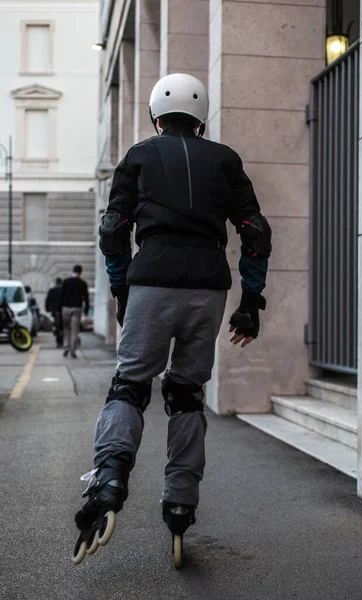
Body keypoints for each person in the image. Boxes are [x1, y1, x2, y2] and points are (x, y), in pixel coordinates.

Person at [72, 73, 272, 566]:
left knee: (131, 385)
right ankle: (181, 504)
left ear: (157, 117)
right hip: (207, 288)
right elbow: (255, 230)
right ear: (201, 121)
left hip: (152, 282)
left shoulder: (138, 155)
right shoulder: (224, 159)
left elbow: (113, 230)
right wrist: (251, 302)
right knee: (186, 395)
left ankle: (110, 476)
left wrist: (122, 289)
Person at [59, 265, 89, 358]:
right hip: (77, 308)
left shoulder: (66, 282)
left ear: (73, 271)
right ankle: (73, 350)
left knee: (66, 329)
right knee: (74, 330)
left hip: (66, 308)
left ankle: (66, 347)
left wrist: (58, 309)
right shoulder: (83, 284)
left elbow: (61, 296)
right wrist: (86, 310)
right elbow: (86, 299)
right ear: (80, 272)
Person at [45, 278, 63, 348]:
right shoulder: (63, 290)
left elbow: (47, 300)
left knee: (57, 325)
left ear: (56, 283)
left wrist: (47, 308)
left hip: (55, 311)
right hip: (63, 310)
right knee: (63, 326)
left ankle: (58, 342)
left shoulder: (52, 290)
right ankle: (63, 340)